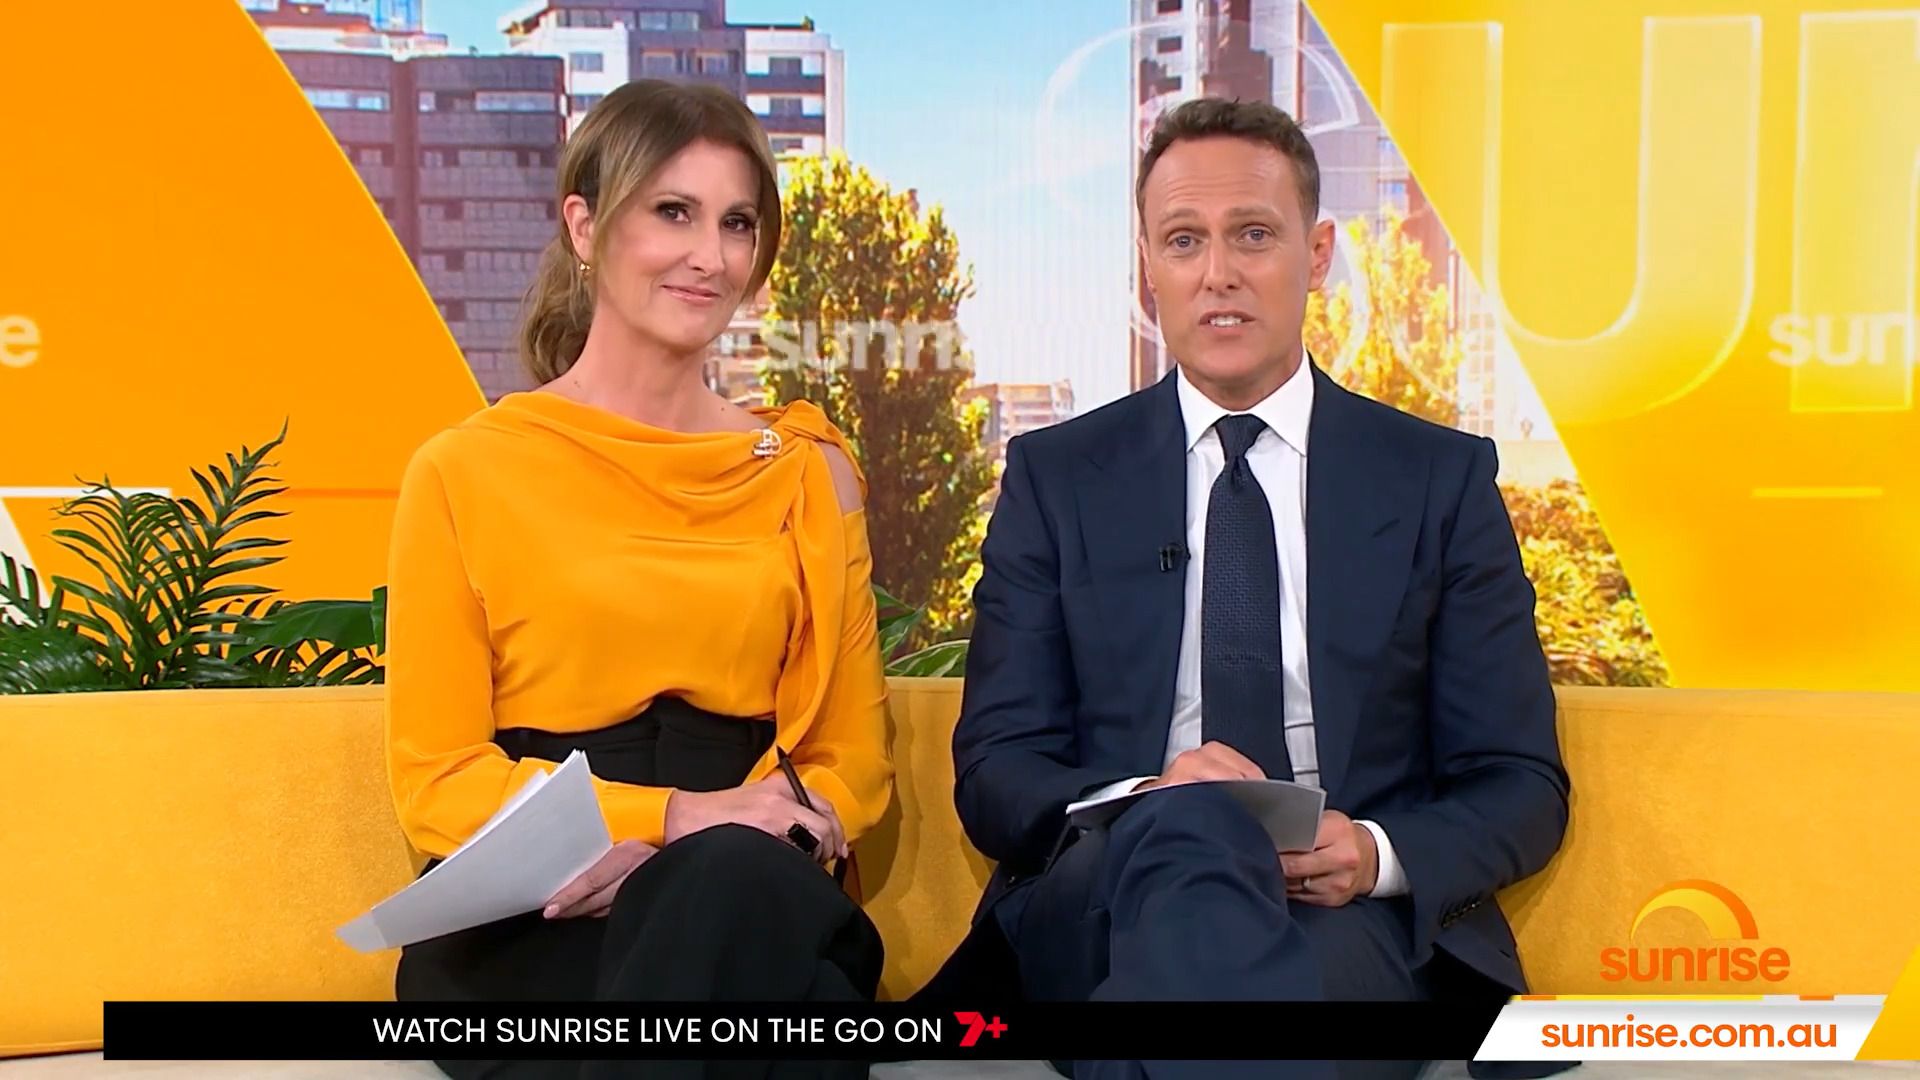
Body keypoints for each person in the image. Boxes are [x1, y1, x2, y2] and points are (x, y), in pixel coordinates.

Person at [937, 97, 1572, 1079]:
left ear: (1317, 255)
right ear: (1147, 266)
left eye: (1254, 235)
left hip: (1344, 913)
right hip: (1103, 894)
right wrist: (1151, 797)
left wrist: (1373, 852)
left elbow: (1519, 781)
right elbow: (997, 771)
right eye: (1184, 240)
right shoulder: (1057, 479)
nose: (1218, 274)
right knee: (1195, 839)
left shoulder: (1437, 481)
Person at [382, 80, 893, 1080]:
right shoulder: (464, 470)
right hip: (537, 912)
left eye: (737, 223)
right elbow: (437, 780)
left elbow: (850, 761)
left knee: (728, 898)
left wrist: (705, 852)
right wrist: (666, 825)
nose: (711, 255)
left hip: (756, 879)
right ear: (584, 225)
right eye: (674, 211)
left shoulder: (806, 473)